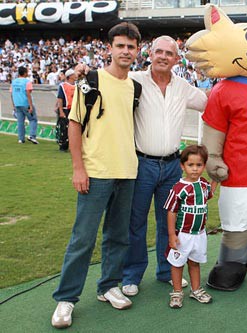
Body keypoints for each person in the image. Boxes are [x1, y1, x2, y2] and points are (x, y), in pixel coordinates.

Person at [51, 22, 142, 329]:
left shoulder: (135, 86)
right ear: (110, 48)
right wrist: (78, 168)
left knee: (118, 236)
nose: (126, 51)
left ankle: (109, 286)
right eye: (120, 46)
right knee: (83, 239)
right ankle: (66, 299)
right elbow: (74, 124)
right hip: (96, 173)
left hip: (127, 172)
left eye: (131, 47)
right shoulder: (90, 81)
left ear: (137, 51)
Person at [121, 35, 208, 297]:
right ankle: (132, 275)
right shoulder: (133, 80)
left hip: (172, 165)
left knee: (169, 222)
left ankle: (165, 271)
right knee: (135, 222)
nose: (162, 57)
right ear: (149, 53)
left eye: (168, 53)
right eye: (158, 51)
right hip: (141, 164)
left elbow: (209, 100)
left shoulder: (182, 86)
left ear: (176, 59)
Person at [164, 145, 216, 308]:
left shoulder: (203, 184)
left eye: (199, 165)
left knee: (194, 263)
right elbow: (171, 211)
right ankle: (177, 293)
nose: (194, 169)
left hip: (199, 234)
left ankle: (196, 290)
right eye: (190, 165)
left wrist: (217, 179)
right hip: (182, 235)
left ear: (204, 166)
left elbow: (209, 195)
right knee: (177, 264)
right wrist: (172, 235)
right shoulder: (179, 188)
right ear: (182, 166)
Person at [10, 66, 38, 144]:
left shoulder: (14, 82)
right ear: (25, 73)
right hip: (25, 103)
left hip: (17, 104)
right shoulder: (27, 82)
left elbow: (11, 94)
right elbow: (28, 93)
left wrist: (13, 105)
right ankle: (32, 136)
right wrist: (31, 105)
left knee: (20, 122)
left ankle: (21, 139)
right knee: (33, 119)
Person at [56, 69, 76, 152]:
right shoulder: (63, 86)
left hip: (74, 109)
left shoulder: (77, 85)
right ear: (70, 76)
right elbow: (60, 98)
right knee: (64, 128)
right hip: (66, 109)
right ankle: (63, 146)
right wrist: (61, 111)